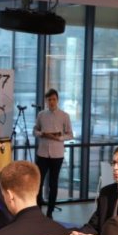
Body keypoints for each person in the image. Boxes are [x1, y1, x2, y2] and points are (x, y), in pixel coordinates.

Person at [33, 88, 73, 218]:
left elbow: (70, 135)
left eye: (54, 99)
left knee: (53, 184)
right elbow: (35, 131)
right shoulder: (41, 115)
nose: (51, 102)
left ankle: (50, 212)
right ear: (46, 101)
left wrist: (59, 138)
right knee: (38, 183)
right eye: (49, 99)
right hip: (42, 154)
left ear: (57, 100)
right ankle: (38, 210)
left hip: (57, 154)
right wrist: (41, 134)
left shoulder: (64, 116)